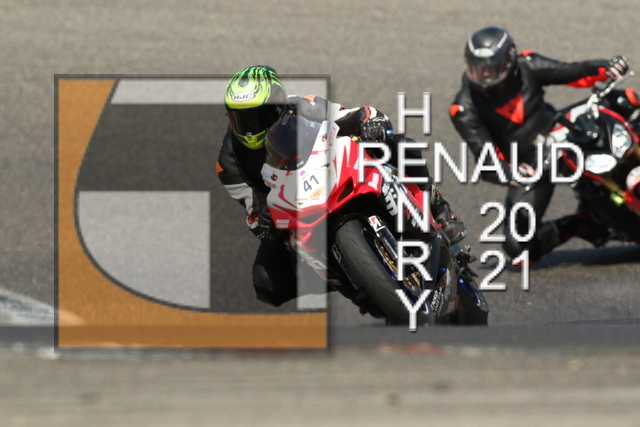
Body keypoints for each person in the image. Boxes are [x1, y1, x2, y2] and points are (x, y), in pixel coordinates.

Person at [217, 65, 466, 307]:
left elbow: (349, 115)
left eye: (258, 116)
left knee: (397, 144)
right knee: (266, 281)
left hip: (331, 172)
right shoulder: (228, 163)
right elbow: (254, 211)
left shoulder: (303, 106)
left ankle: (440, 210)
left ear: (278, 103)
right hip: (290, 207)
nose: (249, 129)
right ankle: (355, 279)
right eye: (240, 119)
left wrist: (369, 121)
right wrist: (262, 223)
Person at [450, 26, 640, 263]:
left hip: (561, 130)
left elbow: (574, 72)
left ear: (509, 61)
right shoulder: (463, 108)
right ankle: (580, 223)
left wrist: (605, 67)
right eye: (477, 70)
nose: (484, 76)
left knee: (625, 99)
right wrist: (512, 173)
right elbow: (486, 160)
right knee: (518, 247)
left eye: (491, 69)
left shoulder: (526, 64)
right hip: (531, 165)